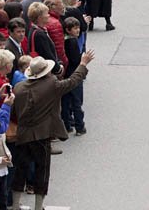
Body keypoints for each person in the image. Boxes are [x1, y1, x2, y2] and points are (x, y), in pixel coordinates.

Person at [12, 51, 94, 210]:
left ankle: (16, 205)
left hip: (23, 134)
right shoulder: (51, 84)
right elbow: (73, 81)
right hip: (42, 134)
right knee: (42, 171)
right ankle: (38, 206)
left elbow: (15, 112)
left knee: (20, 169)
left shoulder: (19, 87)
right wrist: (83, 64)